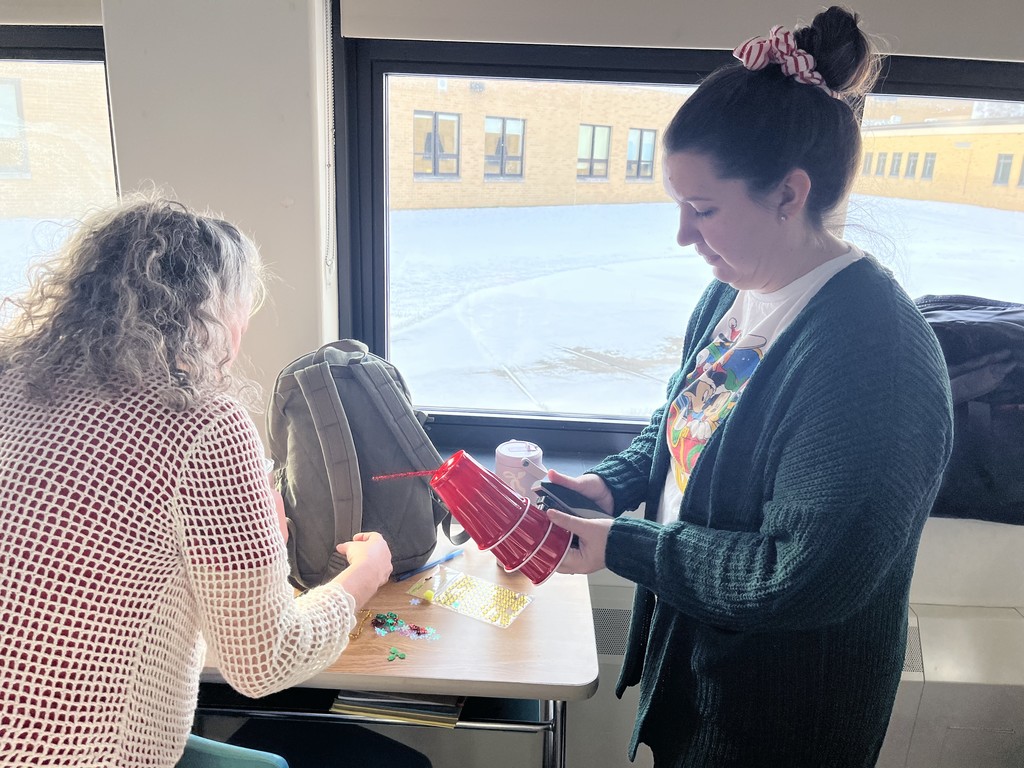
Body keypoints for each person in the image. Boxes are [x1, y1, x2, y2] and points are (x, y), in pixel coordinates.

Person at [543, 7, 954, 767]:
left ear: (789, 195)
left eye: (702, 209)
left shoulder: (873, 358)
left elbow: (795, 579)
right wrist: (610, 486)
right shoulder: (736, 292)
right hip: (701, 659)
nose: (682, 236)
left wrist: (621, 545)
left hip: (783, 712)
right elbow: (681, 421)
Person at [0, 197, 429, 767]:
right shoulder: (199, 421)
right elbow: (263, 661)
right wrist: (364, 577)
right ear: (209, 312)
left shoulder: (14, 383)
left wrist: (247, 545)